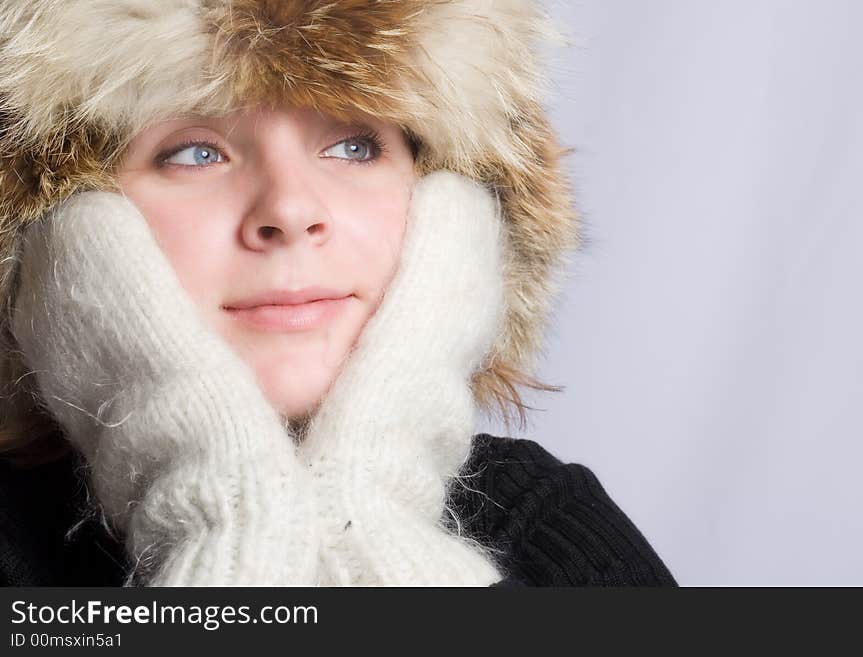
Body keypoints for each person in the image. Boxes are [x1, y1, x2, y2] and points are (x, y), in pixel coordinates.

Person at [0, 0, 676, 586]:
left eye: (355, 146)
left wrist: (370, 513)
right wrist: (231, 515)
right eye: (195, 151)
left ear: (454, 205)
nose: (291, 209)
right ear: (66, 224)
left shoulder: (551, 527)